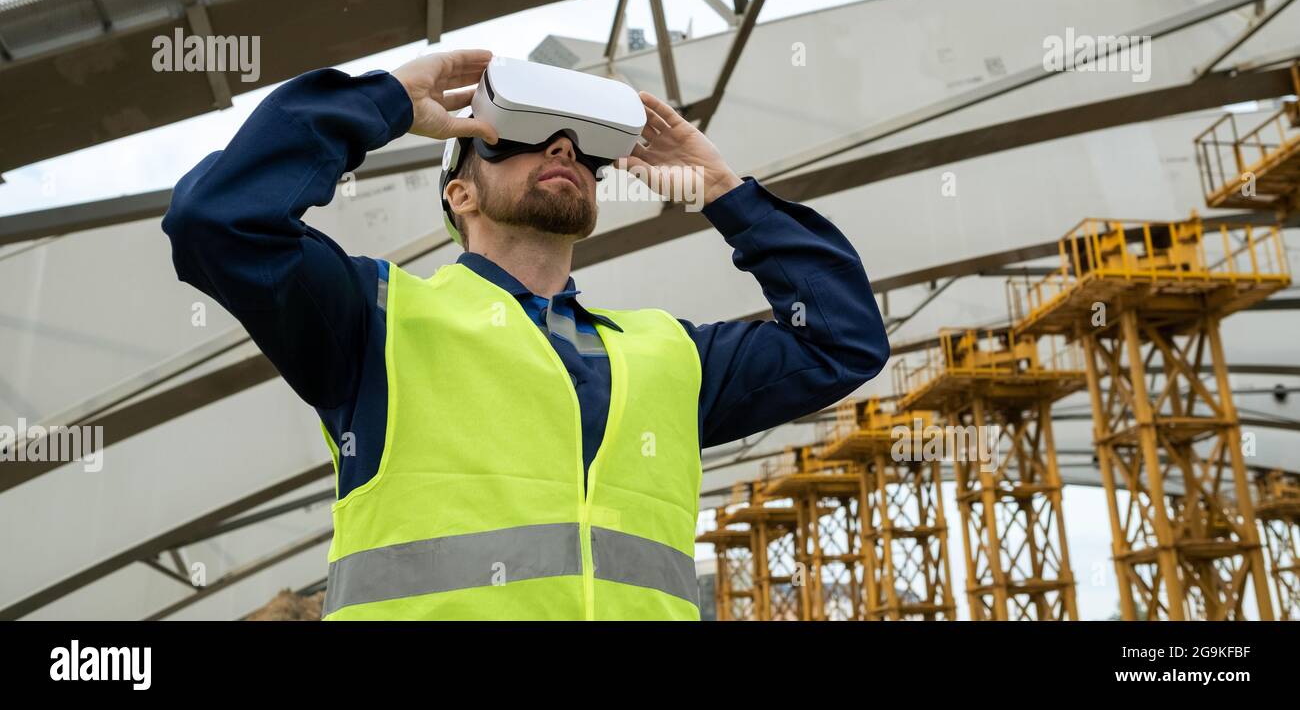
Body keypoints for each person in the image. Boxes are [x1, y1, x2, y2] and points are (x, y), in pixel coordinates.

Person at [162, 47, 889, 620]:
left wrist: (727, 196)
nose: (564, 148)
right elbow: (217, 219)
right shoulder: (374, 321)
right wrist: (383, 102)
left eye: (580, 146)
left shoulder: (667, 356)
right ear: (460, 191)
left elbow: (840, 339)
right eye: (524, 136)